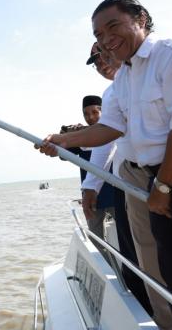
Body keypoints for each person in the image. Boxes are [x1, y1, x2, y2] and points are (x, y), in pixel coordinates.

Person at [38, 0, 172, 330]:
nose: (106, 40)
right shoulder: (125, 76)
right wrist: (62, 141)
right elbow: (110, 128)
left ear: (141, 19)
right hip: (163, 178)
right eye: (98, 35)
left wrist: (163, 187)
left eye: (113, 27)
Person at [83, 43, 152, 315]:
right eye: (95, 60)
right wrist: (90, 187)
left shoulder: (159, 69)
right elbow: (104, 142)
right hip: (126, 182)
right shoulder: (111, 93)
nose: (101, 62)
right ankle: (146, 310)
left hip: (163, 178)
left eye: (104, 53)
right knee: (133, 253)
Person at [66, 95, 115, 240]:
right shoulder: (81, 137)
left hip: (115, 194)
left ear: (103, 112)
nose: (91, 117)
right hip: (92, 197)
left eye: (95, 112)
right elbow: (62, 153)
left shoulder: (114, 133)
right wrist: (71, 133)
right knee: (96, 238)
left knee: (125, 236)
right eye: (86, 114)